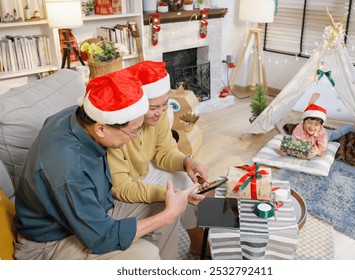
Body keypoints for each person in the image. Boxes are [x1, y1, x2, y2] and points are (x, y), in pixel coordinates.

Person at [13, 69, 202, 260]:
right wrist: (166, 216)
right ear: (101, 129)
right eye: (133, 132)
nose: (135, 138)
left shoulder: (77, 115)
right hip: (51, 242)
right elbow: (102, 237)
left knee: (165, 205)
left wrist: (167, 211)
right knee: (146, 254)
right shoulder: (68, 169)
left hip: (96, 209)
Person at [107, 61, 209, 254]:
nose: (161, 112)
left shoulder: (160, 114)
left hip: (143, 171)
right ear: (136, 104)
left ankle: (196, 241)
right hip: (123, 183)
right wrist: (168, 195)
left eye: (165, 105)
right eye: (153, 107)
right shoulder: (118, 129)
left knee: (184, 179)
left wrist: (187, 161)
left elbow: (165, 152)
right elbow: (122, 187)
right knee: (173, 195)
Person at [281, 92, 355, 158]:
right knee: (310, 120)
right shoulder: (299, 128)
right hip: (309, 135)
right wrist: (285, 151)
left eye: (316, 124)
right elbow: (294, 144)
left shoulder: (323, 134)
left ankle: (352, 126)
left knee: (338, 132)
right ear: (303, 122)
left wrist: (317, 152)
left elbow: (322, 153)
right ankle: (311, 105)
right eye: (309, 123)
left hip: (325, 134)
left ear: (320, 126)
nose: (312, 127)